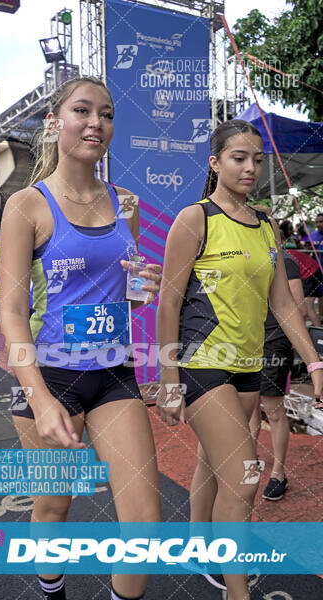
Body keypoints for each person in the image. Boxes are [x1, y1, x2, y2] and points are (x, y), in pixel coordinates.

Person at [0, 76, 162, 600]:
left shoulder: (125, 202)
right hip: (51, 377)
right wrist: (39, 398)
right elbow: (11, 311)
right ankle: (52, 591)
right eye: (83, 110)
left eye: (107, 114)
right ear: (56, 121)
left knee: (145, 525)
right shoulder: (27, 205)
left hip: (115, 374)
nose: (96, 123)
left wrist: (142, 289)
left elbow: (127, 293)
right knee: (54, 506)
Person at [156, 119, 323, 600]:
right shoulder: (196, 219)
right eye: (238, 157)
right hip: (203, 359)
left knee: (214, 460)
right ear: (215, 163)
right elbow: (168, 303)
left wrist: (313, 361)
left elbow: (283, 304)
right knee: (246, 472)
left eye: (256, 158)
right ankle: (236, 590)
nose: (249, 167)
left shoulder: (267, 223)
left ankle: (198, 544)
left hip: (251, 364)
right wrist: (169, 380)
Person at [249, 234, 307, 500]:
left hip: (274, 341)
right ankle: (249, 464)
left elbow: (298, 309)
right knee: (247, 410)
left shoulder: (285, 260)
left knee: (272, 410)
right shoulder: (245, 258)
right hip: (246, 340)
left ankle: (278, 474)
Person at [286, 246, 322, 327]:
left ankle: (319, 333)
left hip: (311, 273)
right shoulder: (283, 254)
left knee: (307, 307)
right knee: (304, 307)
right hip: (312, 271)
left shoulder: (282, 257)